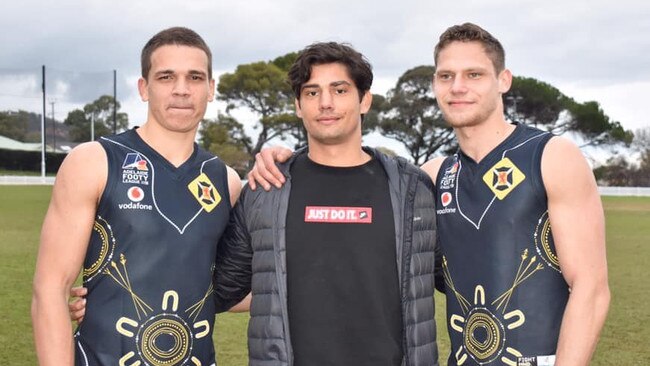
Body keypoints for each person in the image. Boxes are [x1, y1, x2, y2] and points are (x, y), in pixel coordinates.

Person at [248, 24, 610, 366]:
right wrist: (281, 158)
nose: (457, 87)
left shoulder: (551, 156)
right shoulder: (432, 177)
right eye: (446, 76)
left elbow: (591, 288)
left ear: (503, 80)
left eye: (474, 74)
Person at [32, 27, 250, 366]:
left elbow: (222, 290)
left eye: (195, 77)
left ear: (211, 89)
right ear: (144, 88)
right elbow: (49, 289)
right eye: (166, 77)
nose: (181, 90)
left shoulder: (226, 180)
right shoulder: (94, 161)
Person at [220, 42, 440, 365]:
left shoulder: (413, 190)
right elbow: (222, 289)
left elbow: (457, 277)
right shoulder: (266, 190)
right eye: (311, 93)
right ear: (297, 105)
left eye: (339, 90)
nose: (325, 103)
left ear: (364, 100)